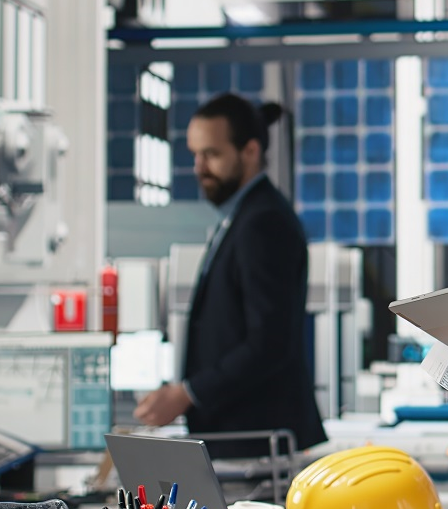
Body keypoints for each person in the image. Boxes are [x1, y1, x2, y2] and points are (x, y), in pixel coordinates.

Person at [135, 93, 327, 459]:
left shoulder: (263, 222)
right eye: (195, 154)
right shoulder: (242, 217)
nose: (198, 166)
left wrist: (187, 393)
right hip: (242, 440)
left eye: (212, 154)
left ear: (250, 151)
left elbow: (269, 343)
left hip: (255, 443)